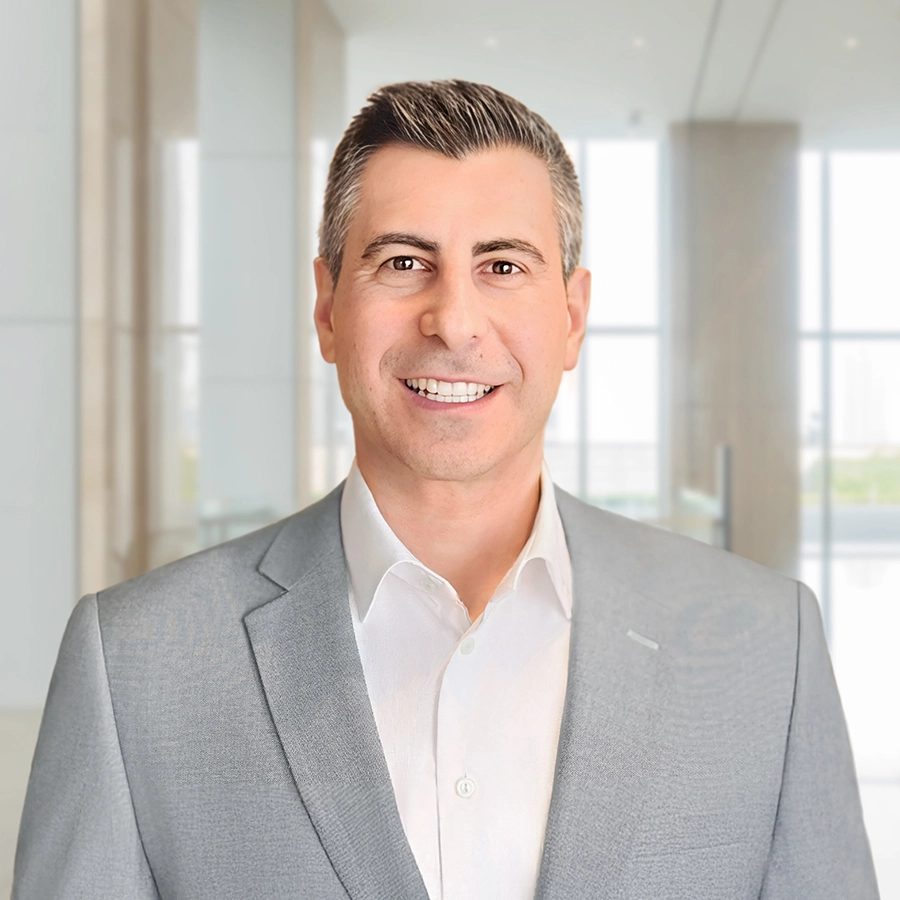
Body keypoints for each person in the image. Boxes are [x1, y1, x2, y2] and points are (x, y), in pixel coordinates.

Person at [13, 80, 878, 900]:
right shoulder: (135, 662)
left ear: (572, 316)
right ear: (326, 307)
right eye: (401, 262)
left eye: (503, 266)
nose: (454, 321)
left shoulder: (767, 652)